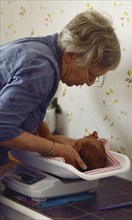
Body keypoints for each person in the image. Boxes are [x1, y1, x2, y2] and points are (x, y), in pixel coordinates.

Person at [0, 10, 121, 170]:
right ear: (72, 55)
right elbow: (3, 128)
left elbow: (20, 105)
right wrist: (55, 148)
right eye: (90, 74)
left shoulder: (41, 49)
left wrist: (47, 136)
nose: (90, 82)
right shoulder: (43, 69)